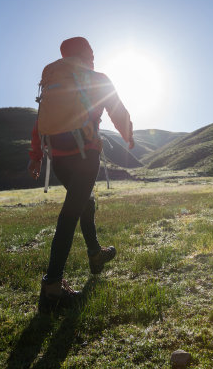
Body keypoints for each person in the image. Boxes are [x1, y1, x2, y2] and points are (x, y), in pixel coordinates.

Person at [28, 37, 134, 312]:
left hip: (58, 157)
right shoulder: (97, 77)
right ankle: (52, 288)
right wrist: (129, 136)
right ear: (86, 54)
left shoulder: (52, 79)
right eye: (92, 52)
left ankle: (95, 254)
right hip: (85, 155)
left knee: (84, 203)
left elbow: (39, 120)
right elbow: (117, 110)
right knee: (70, 214)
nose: (94, 57)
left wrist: (36, 157)